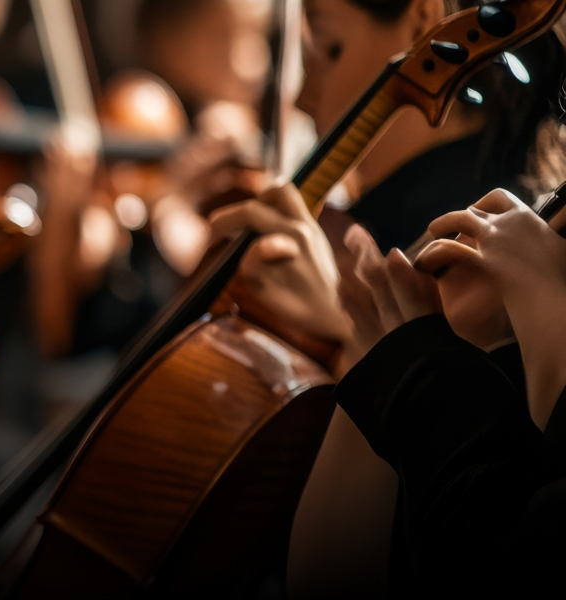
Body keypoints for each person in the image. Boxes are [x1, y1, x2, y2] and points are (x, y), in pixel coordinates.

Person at [204, 1, 565, 594]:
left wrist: (359, 348)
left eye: (324, 43)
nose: (299, 98)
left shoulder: (475, 253)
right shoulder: (483, 223)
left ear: (424, 21)